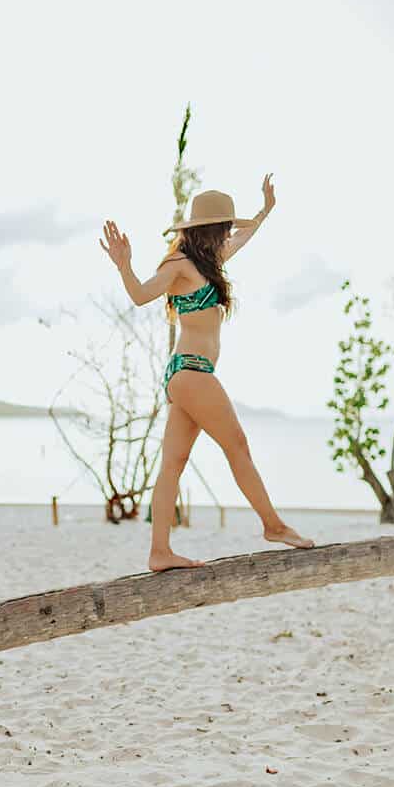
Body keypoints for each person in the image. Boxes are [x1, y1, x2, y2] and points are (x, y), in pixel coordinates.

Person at [99, 175, 315, 571]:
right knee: (238, 445)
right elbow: (141, 295)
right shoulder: (179, 263)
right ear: (208, 231)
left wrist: (265, 209)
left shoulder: (208, 262)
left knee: (172, 465)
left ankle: (159, 552)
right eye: (225, 228)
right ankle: (273, 524)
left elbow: (244, 239)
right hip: (193, 372)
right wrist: (124, 265)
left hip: (187, 375)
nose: (229, 234)